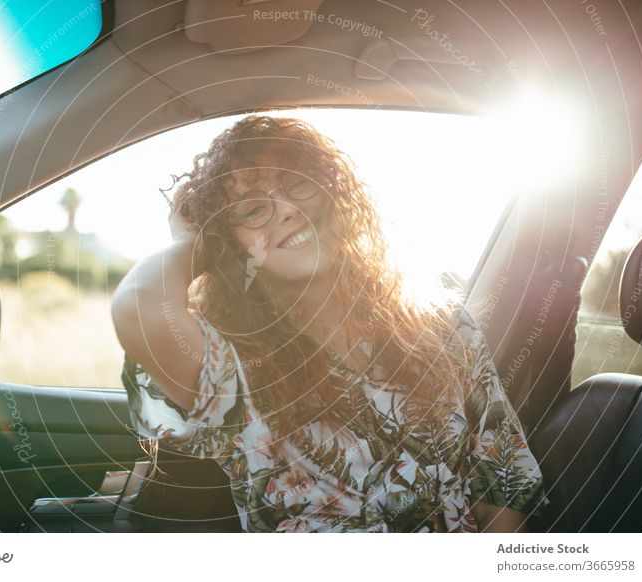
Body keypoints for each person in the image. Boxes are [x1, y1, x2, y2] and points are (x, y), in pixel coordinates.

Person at [111, 114, 547, 533]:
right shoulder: (235, 364)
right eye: (251, 210)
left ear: (333, 192)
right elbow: (138, 309)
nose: (285, 210)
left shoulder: (445, 328)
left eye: (297, 182)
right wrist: (192, 240)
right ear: (229, 243)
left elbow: (500, 491)